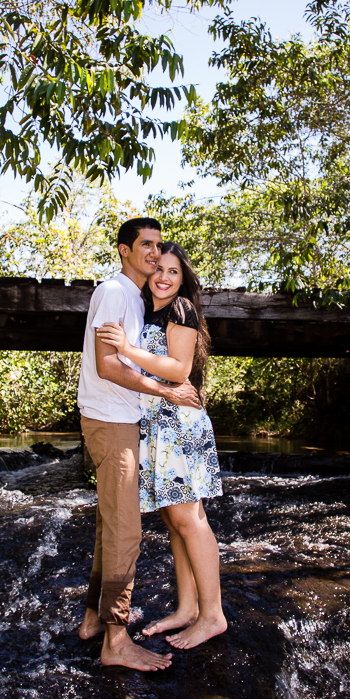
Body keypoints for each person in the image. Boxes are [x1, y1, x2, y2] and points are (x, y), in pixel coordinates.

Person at [76, 218, 202, 671]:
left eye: (157, 245)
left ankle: (93, 620)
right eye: (145, 244)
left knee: (110, 527)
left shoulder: (134, 295)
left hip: (118, 420)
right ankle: (116, 640)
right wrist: (168, 391)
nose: (153, 252)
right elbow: (108, 366)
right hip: (112, 421)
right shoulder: (116, 291)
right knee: (125, 532)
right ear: (124, 250)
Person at [96, 242, 228, 650]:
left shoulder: (180, 309)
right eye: (159, 269)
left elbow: (179, 368)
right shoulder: (147, 311)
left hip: (178, 425)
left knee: (190, 519)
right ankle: (187, 608)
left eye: (174, 271)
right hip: (157, 426)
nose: (165, 277)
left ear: (183, 278)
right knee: (174, 521)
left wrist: (127, 348)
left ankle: (212, 615)